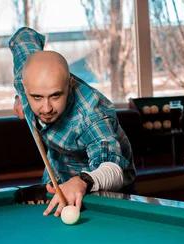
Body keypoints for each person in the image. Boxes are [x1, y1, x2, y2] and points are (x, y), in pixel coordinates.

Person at [9, 27, 137, 217]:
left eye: (55, 95)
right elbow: (23, 36)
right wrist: (20, 97)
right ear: (24, 85)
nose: (46, 108)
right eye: (36, 97)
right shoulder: (24, 77)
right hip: (58, 176)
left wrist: (82, 181)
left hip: (102, 186)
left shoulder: (91, 114)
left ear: (69, 84)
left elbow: (113, 169)